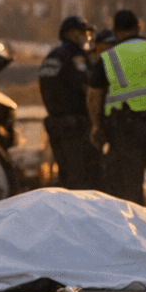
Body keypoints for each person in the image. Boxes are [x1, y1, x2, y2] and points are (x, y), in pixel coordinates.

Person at [87, 10, 146, 217]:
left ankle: (136, 243)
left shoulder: (109, 57)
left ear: (116, 32)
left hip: (125, 132)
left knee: (129, 195)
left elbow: (94, 96)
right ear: (139, 26)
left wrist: (97, 126)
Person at [38, 16, 102, 190]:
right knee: (84, 180)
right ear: (73, 34)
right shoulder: (76, 57)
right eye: (84, 33)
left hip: (56, 125)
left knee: (66, 178)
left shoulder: (51, 57)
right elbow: (88, 88)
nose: (87, 37)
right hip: (76, 128)